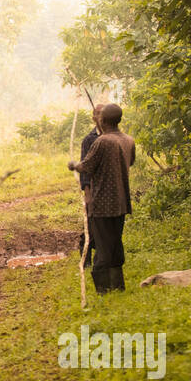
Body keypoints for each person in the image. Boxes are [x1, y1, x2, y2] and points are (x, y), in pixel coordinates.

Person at [68, 103, 135, 294]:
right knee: (115, 243)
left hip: (102, 203)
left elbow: (86, 167)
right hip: (121, 203)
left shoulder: (102, 141)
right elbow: (130, 162)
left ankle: (103, 290)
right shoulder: (128, 140)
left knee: (103, 248)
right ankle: (118, 286)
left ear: (103, 120)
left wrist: (73, 164)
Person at [77, 104, 105, 263]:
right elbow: (85, 167)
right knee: (91, 225)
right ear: (94, 118)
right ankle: (85, 257)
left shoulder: (113, 136)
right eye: (98, 114)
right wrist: (87, 192)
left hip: (107, 188)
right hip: (94, 188)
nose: (101, 117)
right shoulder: (89, 139)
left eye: (104, 113)